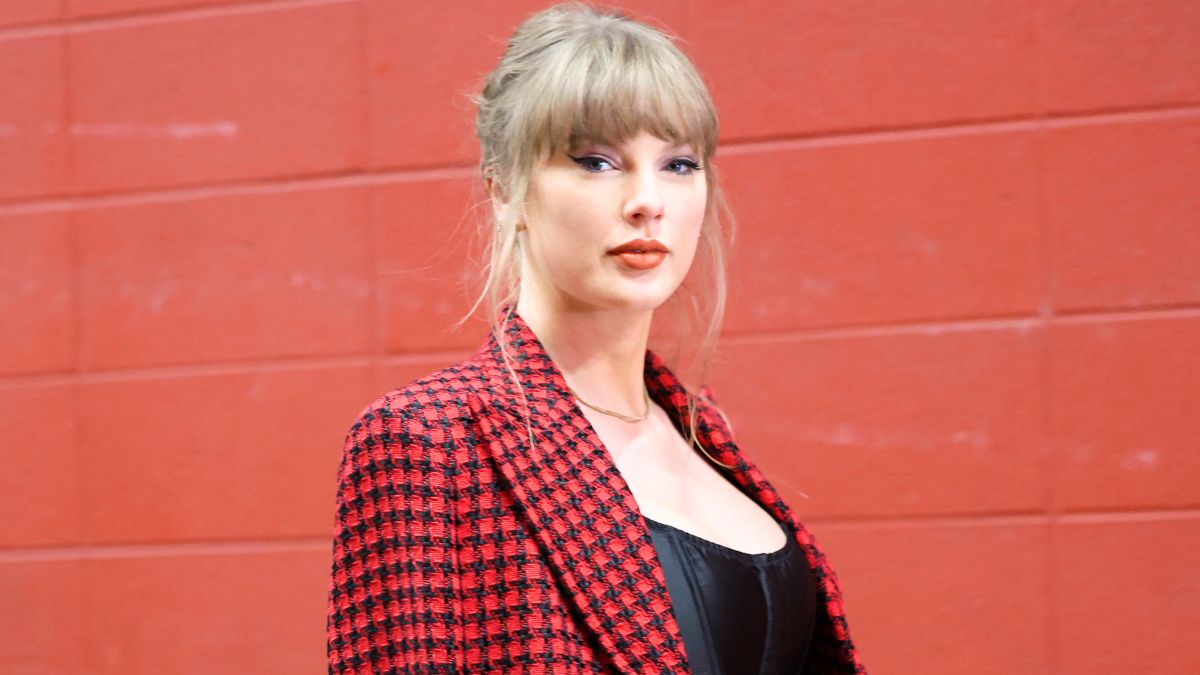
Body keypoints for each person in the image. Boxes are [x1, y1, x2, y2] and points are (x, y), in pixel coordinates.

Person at [326, 4, 864, 674]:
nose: (648, 201)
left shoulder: (702, 434)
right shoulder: (425, 439)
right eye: (597, 161)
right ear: (504, 190)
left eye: (678, 163)